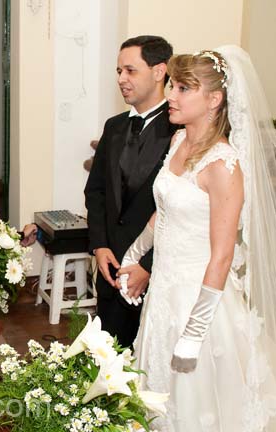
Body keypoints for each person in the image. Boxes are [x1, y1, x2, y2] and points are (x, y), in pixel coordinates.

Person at [118, 47, 276, 430]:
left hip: (200, 303)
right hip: (163, 296)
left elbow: (222, 256)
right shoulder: (177, 143)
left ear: (214, 100)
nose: (170, 95)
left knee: (197, 408)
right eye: (172, 84)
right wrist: (133, 255)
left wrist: (193, 333)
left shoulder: (223, 166)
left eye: (183, 88)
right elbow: (164, 212)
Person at [84, 35, 178, 347]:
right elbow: (95, 191)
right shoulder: (114, 126)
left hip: (156, 273)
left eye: (130, 70)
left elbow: (180, 211)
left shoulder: (181, 131)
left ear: (158, 71)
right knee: (107, 360)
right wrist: (99, 246)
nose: (122, 79)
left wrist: (146, 266)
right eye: (118, 71)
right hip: (110, 269)